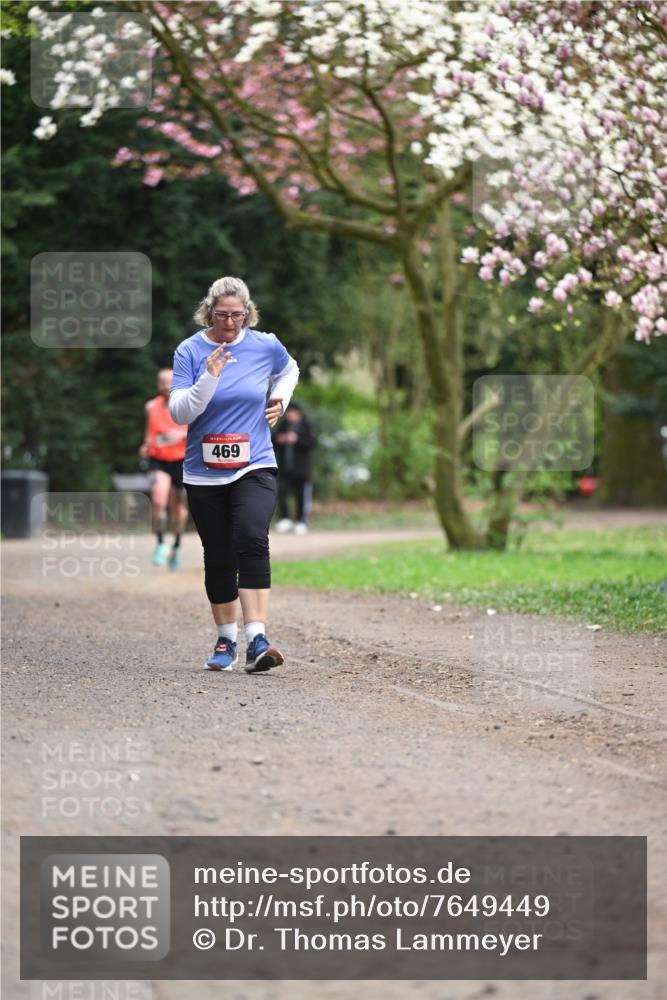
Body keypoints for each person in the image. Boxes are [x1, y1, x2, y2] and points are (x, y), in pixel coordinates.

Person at [169, 276, 299, 673]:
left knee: (251, 537)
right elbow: (180, 413)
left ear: (248, 313)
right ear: (209, 312)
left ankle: (257, 637)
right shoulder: (190, 351)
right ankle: (226, 639)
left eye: (238, 316)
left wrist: (279, 399)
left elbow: (290, 369)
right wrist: (209, 377)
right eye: (222, 315)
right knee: (220, 555)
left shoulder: (264, 345)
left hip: (254, 462)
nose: (230, 323)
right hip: (204, 472)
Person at [139, 368, 188, 570]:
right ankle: (160, 544)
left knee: (178, 510)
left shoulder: (187, 405)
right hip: (158, 459)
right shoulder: (150, 406)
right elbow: (149, 433)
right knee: (158, 500)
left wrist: (182, 434)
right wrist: (145, 445)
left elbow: (200, 429)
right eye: (163, 382)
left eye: (170, 382)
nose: (166, 386)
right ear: (158, 385)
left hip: (182, 460)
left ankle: (176, 546)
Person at [273, 402, 317, 534]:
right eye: (288, 413)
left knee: (301, 496)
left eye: (293, 413)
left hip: (301, 470)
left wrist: (297, 439)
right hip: (285, 467)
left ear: (298, 414)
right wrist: (279, 439)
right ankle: (284, 519)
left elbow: (312, 442)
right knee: (282, 493)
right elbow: (273, 439)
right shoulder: (283, 426)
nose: (290, 416)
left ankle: (301, 521)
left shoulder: (306, 426)